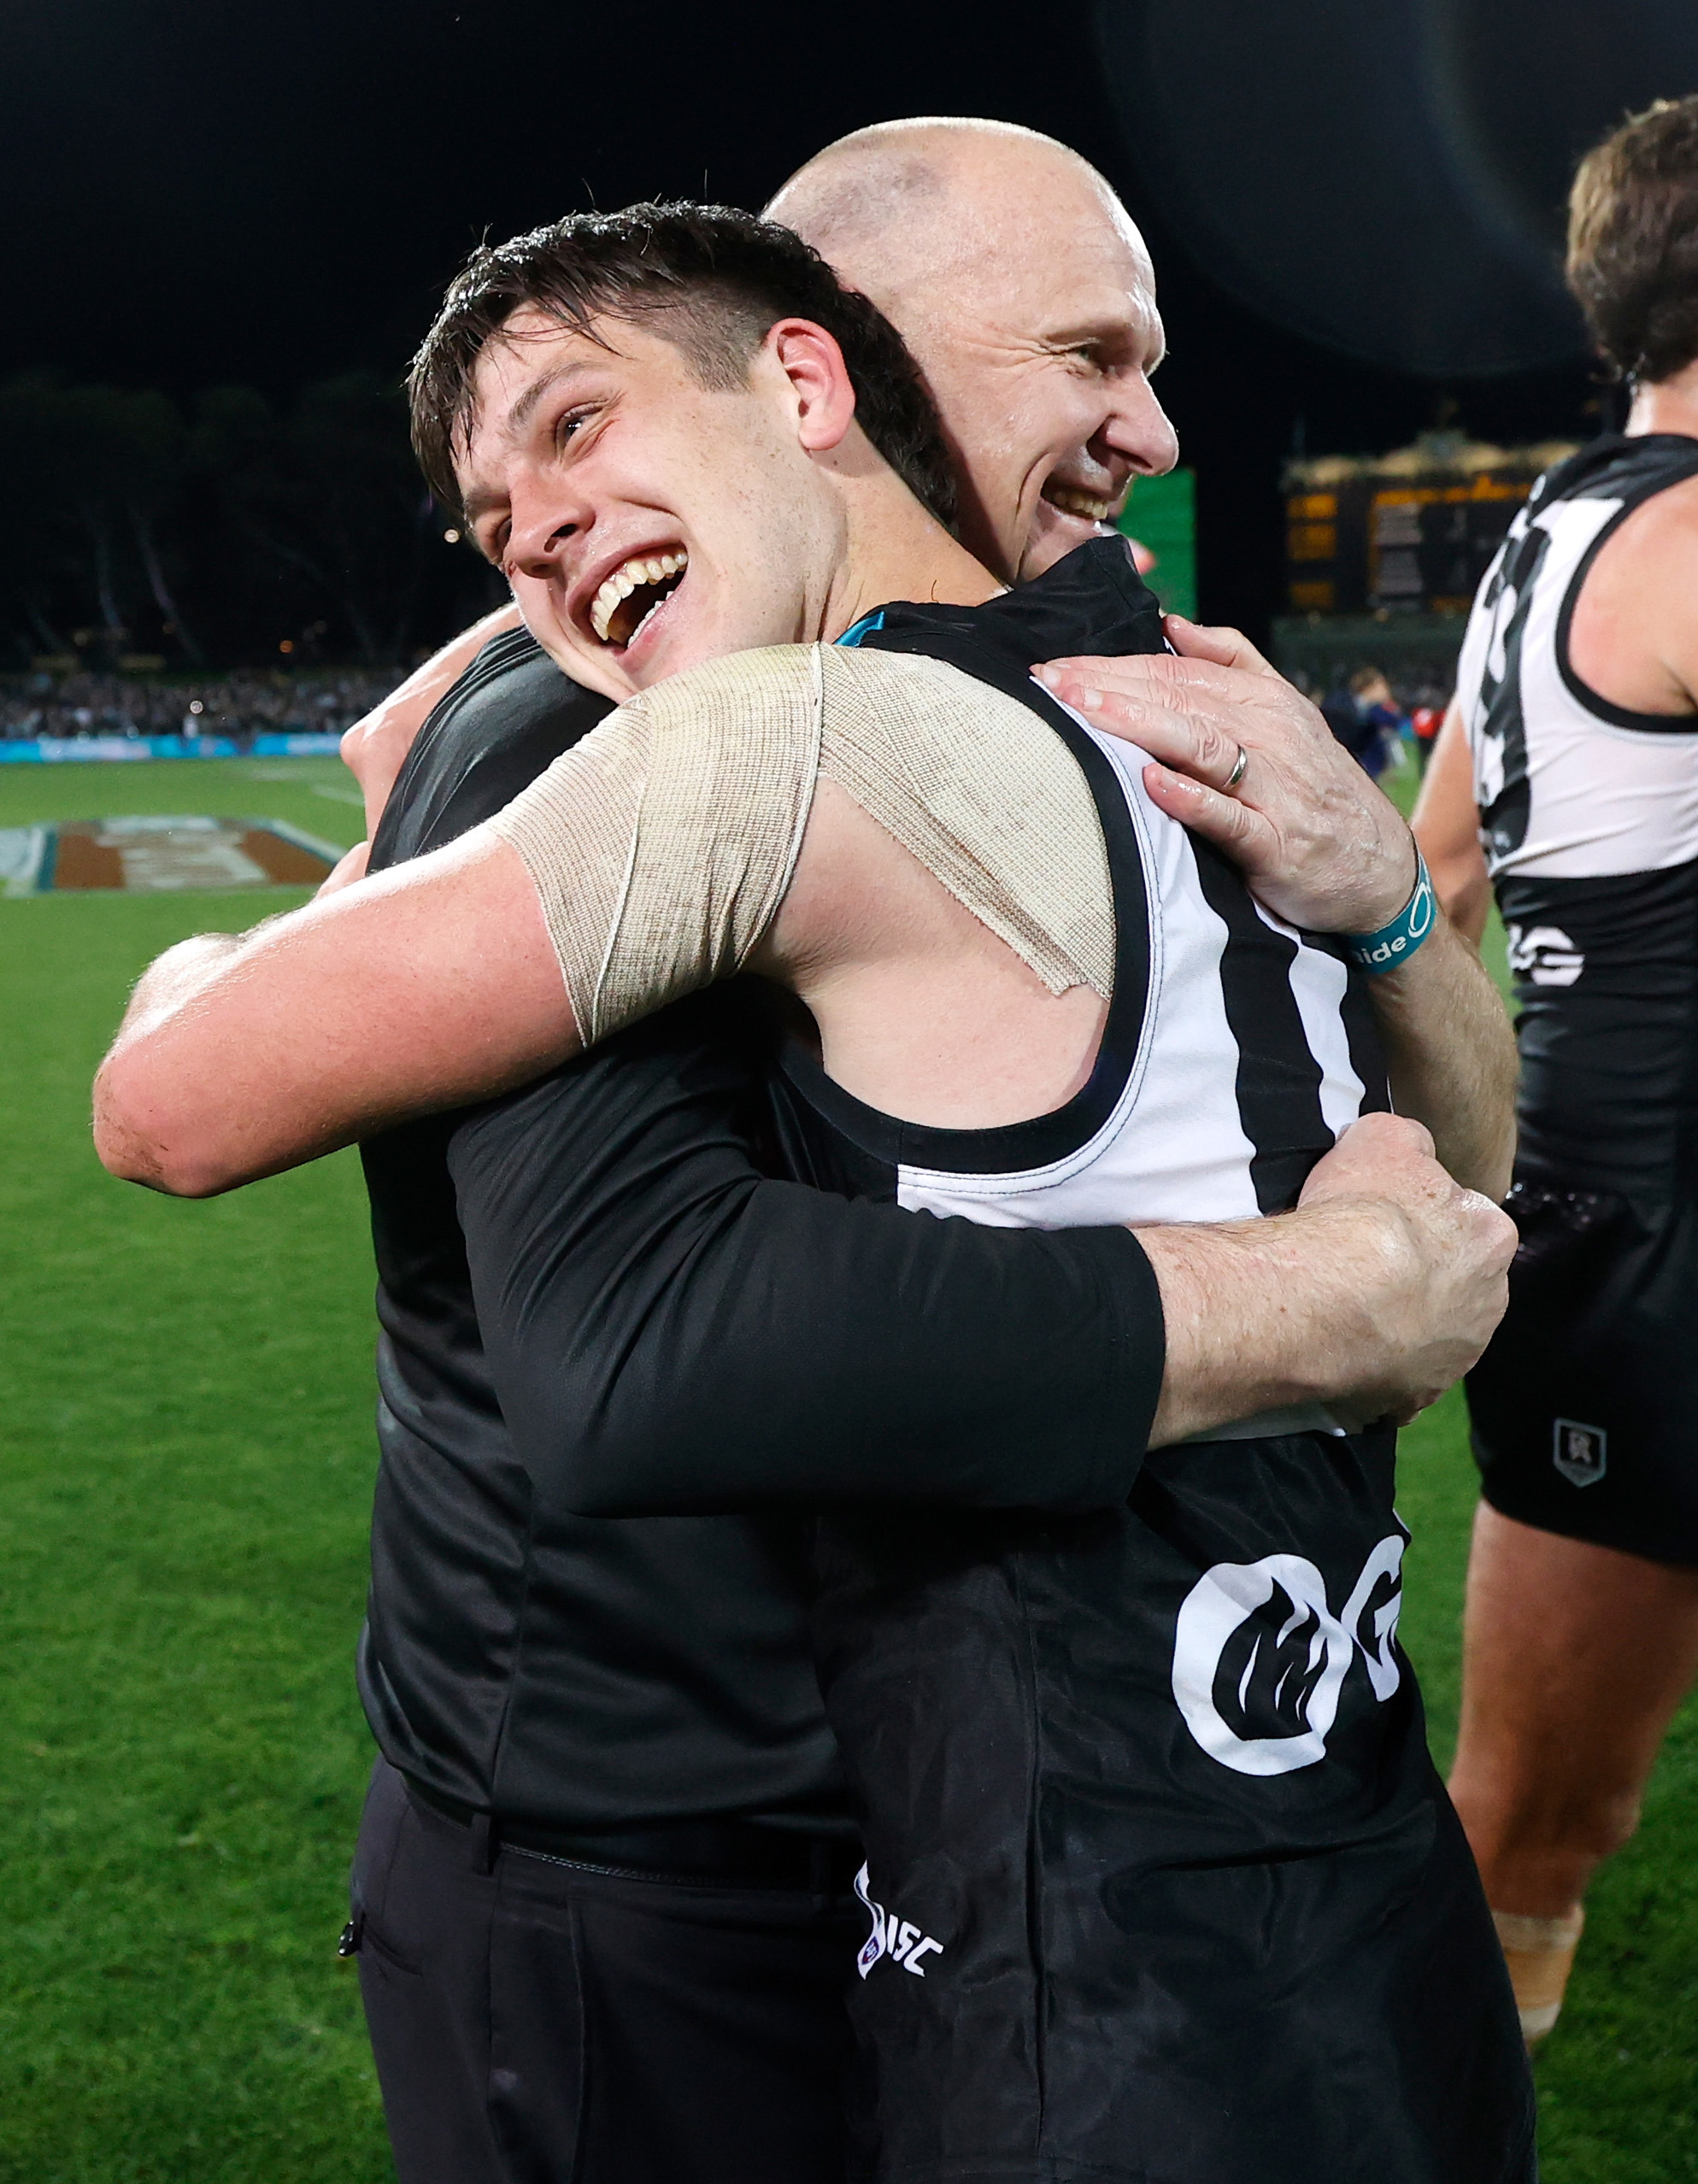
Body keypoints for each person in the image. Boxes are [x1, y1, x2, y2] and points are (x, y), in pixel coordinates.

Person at [96, 197, 1531, 2182]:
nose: (1153, 436)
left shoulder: (1134, 698)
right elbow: (607, 1338)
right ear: (832, 358)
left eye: (574, 437)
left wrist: (1386, 918)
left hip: (1013, 1833)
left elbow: (1453, 1193)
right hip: (646, 1836)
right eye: (1086, 360)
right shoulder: (625, 732)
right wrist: (1324, 1304)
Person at [1413, 92, 1698, 2048]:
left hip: (1603, 1245)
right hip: (1671, 1250)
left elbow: (1427, 877)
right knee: (1532, 1814)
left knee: (1532, 1825)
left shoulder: (1550, 530)